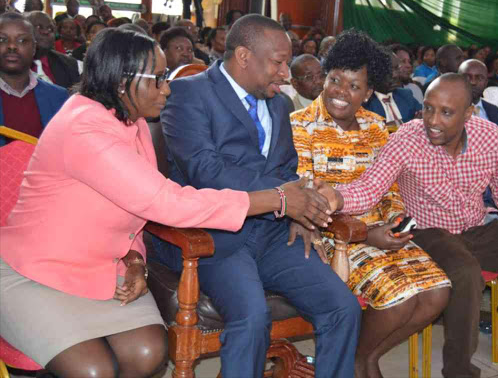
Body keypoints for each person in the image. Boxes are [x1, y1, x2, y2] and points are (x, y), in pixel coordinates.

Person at [0, 27, 335, 378]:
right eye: (158, 79)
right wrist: (278, 199)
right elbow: (165, 202)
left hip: (103, 268)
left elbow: (135, 211)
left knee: (148, 351)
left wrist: (135, 260)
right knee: (92, 370)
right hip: (36, 274)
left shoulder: (133, 121)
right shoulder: (84, 128)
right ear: (121, 81)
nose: (168, 88)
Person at [158, 14, 361, 378]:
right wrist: (283, 197)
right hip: (216, 237)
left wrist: (302, 210)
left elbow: (286, 168)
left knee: (342, 307)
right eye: (279, 62)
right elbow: (206, 172)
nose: (286, 74)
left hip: (273, 234)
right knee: (252, 317)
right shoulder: (189, 95)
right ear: (244, 56)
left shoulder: (280, 105)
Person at [329, 73, 498, 378]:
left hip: (479, 227)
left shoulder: (490, 137)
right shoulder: (408, 138)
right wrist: (333, 198)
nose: (432, 120)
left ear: (469, 113)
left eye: (446, 112)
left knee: (471, 259)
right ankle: (459, 372)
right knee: (465, 272)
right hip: (429, 232)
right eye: (428, 108)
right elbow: (369, 187)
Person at [290, 29, 451, 378]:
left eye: (353, 86)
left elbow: (391, 188)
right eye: (335, 80)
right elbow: (306, 199)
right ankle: (361, 361)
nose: (341, 93)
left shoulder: (378, 127)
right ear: (325, 76)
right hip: (336, 239)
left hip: (380, 232)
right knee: (403, 298)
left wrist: (395, 223)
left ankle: (362, 356)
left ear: (368, 92)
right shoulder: (300, 126)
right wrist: (366, 235)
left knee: (438, 294)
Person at [0, 12, 68, 146]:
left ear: (34, 48)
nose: (12, 46)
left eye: (22, 40)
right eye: (2, 39)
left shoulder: (59, 97)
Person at [26, 11, 80, 89]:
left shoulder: (69, 64)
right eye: (39, 27)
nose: (46, 31)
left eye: (50, 28)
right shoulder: (12, 62)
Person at [364, 52, 422, 125]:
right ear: (374, 71)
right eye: (389, 70)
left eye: (396, 69)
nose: (395, 75)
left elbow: (422, 117)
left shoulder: (406, 95)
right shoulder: (365, 102)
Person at [458, 59, 498, 126]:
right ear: (457, 79)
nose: (473, 82)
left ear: (486, 83)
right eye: (467, 77)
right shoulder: (448, 109)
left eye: (479, 78)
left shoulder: (494, 110)